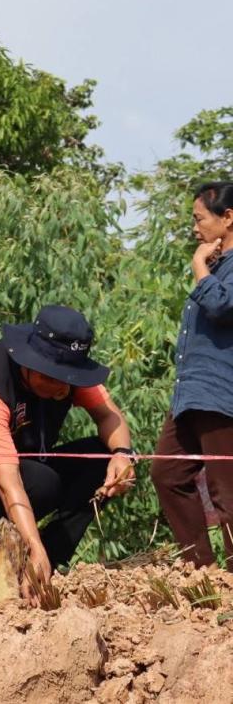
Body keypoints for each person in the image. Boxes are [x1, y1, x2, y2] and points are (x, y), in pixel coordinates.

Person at [0, 305, 136, 592]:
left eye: (70, 378)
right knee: (40, 480)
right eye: (54, 378)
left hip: (27, 469)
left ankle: (50, 559)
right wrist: (31, 545)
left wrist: (122, 455)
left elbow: (109, 416)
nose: (63, 389)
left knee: (102, 460)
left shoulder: (68, 376)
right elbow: (7, 483)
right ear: (31, 364)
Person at [153, 181, 233, 570]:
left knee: (227, 492)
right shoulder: (218, 265)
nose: (195, 228)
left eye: (199, 218)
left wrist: (199, 266)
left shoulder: (216, 268)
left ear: (228, 217)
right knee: (167, 473)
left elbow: (223, 307)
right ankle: (202, 571)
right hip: (191, 393)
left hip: (222, 394)